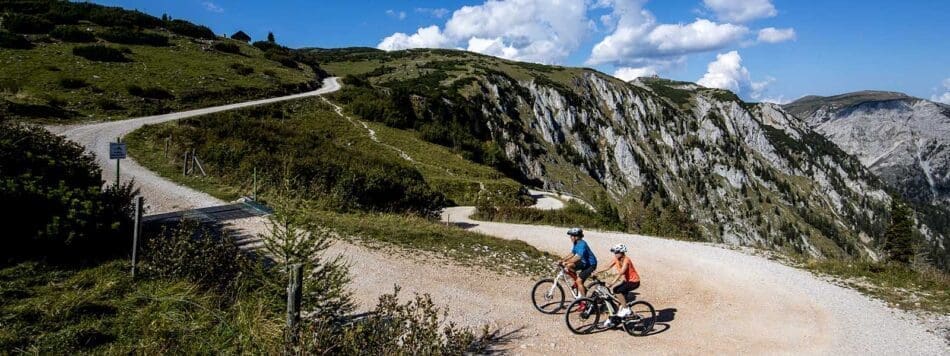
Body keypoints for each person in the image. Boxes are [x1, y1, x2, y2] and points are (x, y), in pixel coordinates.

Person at [595, 243, 640, 328]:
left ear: (622, 252)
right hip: (627, 281)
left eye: (617, 252)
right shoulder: (616, 258)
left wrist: (612, 282)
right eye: (614, 252)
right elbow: (607, 266)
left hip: (634, 282)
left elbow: (621, 272)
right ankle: (618, 316)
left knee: (617, 290)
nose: (615, 254)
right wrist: (597, 272)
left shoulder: (627, 260)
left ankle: (626, 309)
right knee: (618, 295)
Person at [558, 227, 597, 298]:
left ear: (576, 237)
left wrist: (567, 262)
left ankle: (584, 301)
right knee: (569, 266)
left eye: (571, 236)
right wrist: (563, 260)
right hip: (584, 263)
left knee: (579, 282)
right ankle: (577, 283)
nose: (570, 237)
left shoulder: (582, 244)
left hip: (590, 265)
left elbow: (578, 257)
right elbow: (572, 253)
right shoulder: (576, 243)